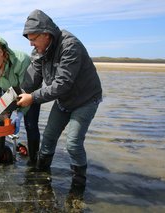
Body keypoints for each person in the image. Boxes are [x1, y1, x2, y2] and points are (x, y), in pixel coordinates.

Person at [17, 9, 102, 198]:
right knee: (47, 139)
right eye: (29, 40)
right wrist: (19, 95)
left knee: (72, 143)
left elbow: (61, 85)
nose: (31, 44)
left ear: (46, 35)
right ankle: (40, 177)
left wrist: (32, 98)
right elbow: (32, 80)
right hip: (64, 100)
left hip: (86, 99)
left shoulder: (70, 46)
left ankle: (77, 188)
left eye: (33, 39)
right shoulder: (40, 50)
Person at [0, 36, 41, 165]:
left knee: (31, 125)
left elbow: (26, 90)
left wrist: (20, 112)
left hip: (30, 92)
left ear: (1, 52)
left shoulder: (21, 60)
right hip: (9, 92)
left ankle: (34, 162)